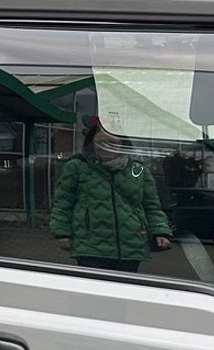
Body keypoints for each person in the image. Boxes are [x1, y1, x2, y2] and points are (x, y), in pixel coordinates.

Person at [50, 116, 173, 273]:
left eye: (112, 143)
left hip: (130, 246)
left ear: (123, 144)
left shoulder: (138, 170)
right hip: (90, 246)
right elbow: (62, 203)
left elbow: (152, 207)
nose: (106, 147)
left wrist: (161, 231)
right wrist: (61, 233)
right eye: (101, 142)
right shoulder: (77, 167)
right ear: (92, 141)